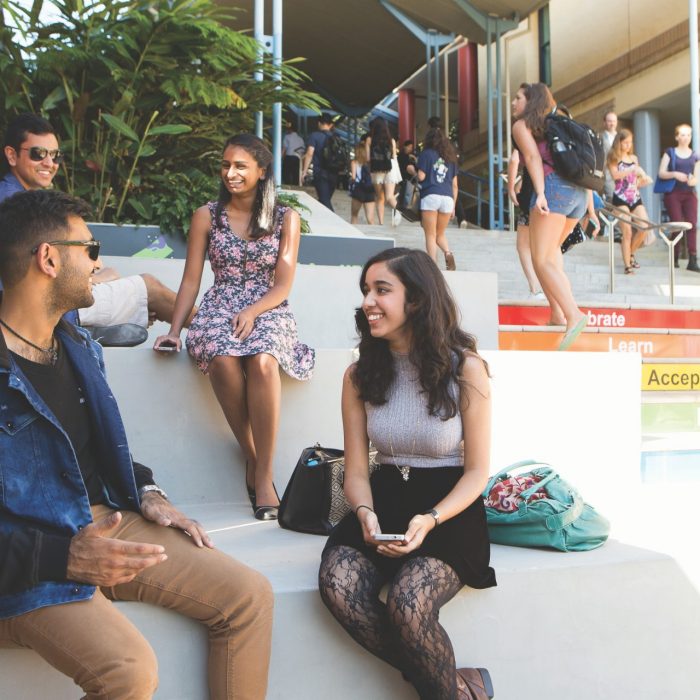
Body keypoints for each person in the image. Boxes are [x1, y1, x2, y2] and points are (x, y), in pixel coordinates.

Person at [0, 189, 273, 699]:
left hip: (107, 517)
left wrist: (147, 490)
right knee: (128, 672)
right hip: (32, 562)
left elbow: (94, 447)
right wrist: (65, 558)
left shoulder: (75, 342)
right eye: (91, 249)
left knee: (249, 595)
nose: (99, 263)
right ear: (49, 258)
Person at [318, 247, 496, 700]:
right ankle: (455, 685)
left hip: (449, 510)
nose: (368, 302)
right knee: (338, 587)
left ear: (415, 299)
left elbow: (477, 472)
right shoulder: (358, 376)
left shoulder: (466, 369)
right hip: (383, 504)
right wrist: (364, 513)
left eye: (382, 290)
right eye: (365, 291)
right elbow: (356, 471)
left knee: (408, 603)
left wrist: (431, 518)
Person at [154, 134, 315, 521]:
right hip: (220, 302)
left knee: (262, 361)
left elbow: (282, 284)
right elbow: (192, 279)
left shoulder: (285, 218)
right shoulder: (206, 215)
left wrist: (254, 311)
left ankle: (262, 474)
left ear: (261, 171)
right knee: (222, 358)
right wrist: (175, 330)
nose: (231, 173)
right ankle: (255, 458)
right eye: (226, 165)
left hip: (269, 305)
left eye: (241, 166)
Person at [0, 112, 191, 332]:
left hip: (41, 303)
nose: (49, 163)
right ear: (12, 155)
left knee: (116, 278)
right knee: (150, 288)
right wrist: (95, 281)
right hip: (46, 308)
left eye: (55, 156)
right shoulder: (18, 204)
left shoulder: (23, 197)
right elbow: (44, 274)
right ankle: (219, 334)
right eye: (38, 154)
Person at [512, 82, 588, 350]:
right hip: (577, 194)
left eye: (518, 98)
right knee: (552, 255)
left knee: (540, 258)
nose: (513, 103)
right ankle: (557, 314)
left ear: (529, 101)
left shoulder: (522, 126)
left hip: (554, 191)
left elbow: (532, 158)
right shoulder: (554, 122)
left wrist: (541, 193)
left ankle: (573, 314)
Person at [606, 129, 653, 275]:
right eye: (625, 142)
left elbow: (635, 182)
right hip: (620, 198)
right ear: (619, 142)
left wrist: (644, 181)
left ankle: (631, 253)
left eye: (630, 142)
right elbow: (615, 176)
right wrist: (632, 169)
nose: (628, 145)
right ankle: (627, 265)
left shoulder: (634, 158)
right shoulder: (613, 157)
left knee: (644, 227)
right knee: (626, 231)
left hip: (635, 197)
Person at [657, 123, 700, 272]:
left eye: (688, 134)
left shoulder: (695, 156)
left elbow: (696, 178)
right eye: (682, 134)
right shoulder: (670, 152)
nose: (685, 137)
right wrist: (675, 174)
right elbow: (661, 173)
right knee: (676, 223)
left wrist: (691, 180)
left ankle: (692, 260)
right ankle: (674, 257)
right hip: (673, 193)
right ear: (676, 136)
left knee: (692, 225)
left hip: (689, 193)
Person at [416, 127, 458, 270]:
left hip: (431, 195)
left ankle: (432, 266)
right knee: (440, 234)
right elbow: (455, 185)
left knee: (430, 234)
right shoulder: (451, 158)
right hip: (447, 198)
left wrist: (411, 170)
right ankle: (448, 253)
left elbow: (421, 177)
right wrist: (453, 207)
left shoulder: (426, 154)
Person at [365, 117, 401, 226]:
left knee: (379, 197)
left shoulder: (370, 139)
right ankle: (399, 210)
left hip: (377, 168)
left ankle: (381, 223)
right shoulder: (392, 140)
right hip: (391, 166)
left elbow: (367, 159)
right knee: (390, 196)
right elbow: (394, 157)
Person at [301, 112, 338, 211]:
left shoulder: (315, 136)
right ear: (331, 125)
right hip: (334, 173)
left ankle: (337, 223)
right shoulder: (336, 137)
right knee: (324, 200)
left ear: (319, 123)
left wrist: (304, 172)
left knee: (325, 201)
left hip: (320, 173)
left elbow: (309, 153)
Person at [349, 135, 376, 225]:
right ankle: (373, 236)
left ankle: (354, 235)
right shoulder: (370, 164)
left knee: (354, 215)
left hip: (358, 190)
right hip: (369, 189)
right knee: (370, 219)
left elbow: (353, 177)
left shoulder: (354, 162)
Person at [600, 111, 618, 201]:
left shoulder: (621, 137)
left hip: (622, 173)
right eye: (609, 121)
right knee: (611, 198)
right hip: (607, 174)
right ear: (604, 123)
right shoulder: (600, 137)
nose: (612, 123)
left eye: (614, 121)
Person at [281, 120, 305, 186]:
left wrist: (281, 158)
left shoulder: (287, 137)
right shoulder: (300, 139)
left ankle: (287, 186)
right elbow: (302, 151)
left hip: (289, 158)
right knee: (296, 175)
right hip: (297, 159)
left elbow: (284, 149)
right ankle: (296, 187)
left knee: (286, 174)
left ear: (290, 129)